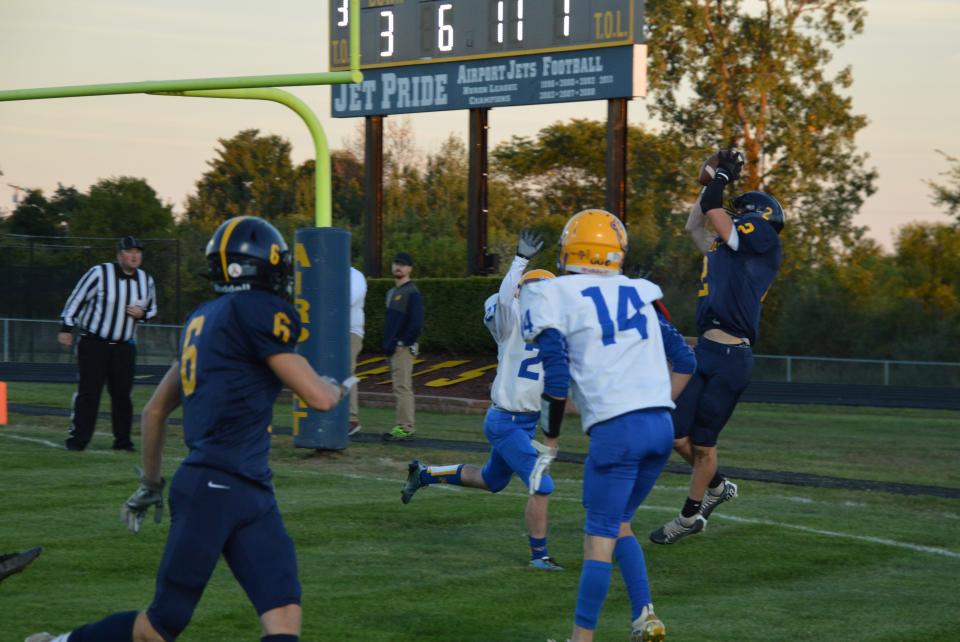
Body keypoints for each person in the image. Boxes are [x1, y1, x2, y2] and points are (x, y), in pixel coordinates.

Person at [28, 216, 356, 642]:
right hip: (217, 486)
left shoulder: (204, 317)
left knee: (282, 612)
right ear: (259, 267)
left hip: (248, 487)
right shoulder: (259, 310)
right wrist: (333, 388)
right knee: (159, 627)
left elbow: (153, 412)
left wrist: (150, 483)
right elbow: (319, 398)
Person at [520, 209, 695, 642]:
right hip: (660, 425)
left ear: (570, 249)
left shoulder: (553, 294)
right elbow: (685, 358)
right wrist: (650, 404)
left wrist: (551, 439)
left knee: (597, 541)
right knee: (619, 526)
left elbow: (556, 380)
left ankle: (581, 640)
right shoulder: (640, 292)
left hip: (618, 431)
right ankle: (645, 616)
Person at [399, 230, 563, 570]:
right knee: (541, 484)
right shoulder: (511, 321)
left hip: (526, 421)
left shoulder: (555, 331)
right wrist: (520, 260)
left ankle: (424, 474)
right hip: (505, 421)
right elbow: (503, 301)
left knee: (492, 480)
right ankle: (540, 557)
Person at [650, 150, 785, 546]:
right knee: (675, 436)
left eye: (739, 212)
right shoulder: (728, 252)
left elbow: (713, 209)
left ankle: (690, 517)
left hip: (730, 357)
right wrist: (709, 181)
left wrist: (720, 177)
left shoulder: (761, 238)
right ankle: (717, 486)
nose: (732, 215)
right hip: (705, 351)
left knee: (704, 446)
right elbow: (697, 222)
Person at [58, 236, 157, 452]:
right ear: (119, 254)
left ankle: (122, 442)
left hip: (124, 346)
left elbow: (152, 309)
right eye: (129, 251)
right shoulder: (99, 273)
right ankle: (78, 440)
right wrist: (66, 327)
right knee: (89, 393)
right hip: (94, 343)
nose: (134, 255)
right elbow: (77, 298)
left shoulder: (146, 280)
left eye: (138, 252)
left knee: (123, 395)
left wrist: (143, 314)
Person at [382, 251, 424, 441]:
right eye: (396, 263)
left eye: (403, 264)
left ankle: (405, 427)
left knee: (402, 387)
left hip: (403, 349)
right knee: (399, 387)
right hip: (392, 348)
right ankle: (403, 425)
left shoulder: (412, 292)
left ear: (410, 269)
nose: (398, 267)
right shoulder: (392, 293)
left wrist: (403, 342)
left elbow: (417, 322)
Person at [348, 266, 367, 436]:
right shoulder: (329, 273)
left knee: (347, 372)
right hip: (332, 331)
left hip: (351, 331)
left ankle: (351, 418)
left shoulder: (355, 275)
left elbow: (349, 298)